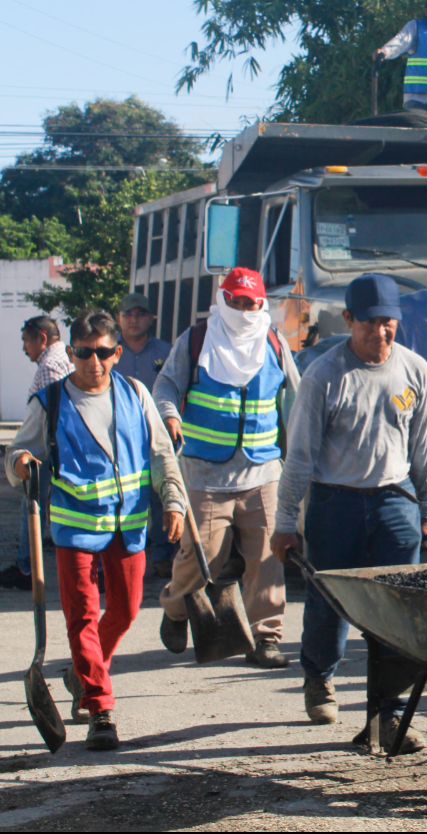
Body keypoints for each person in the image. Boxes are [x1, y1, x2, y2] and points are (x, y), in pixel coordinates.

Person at [270, 274, 427, 754]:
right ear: (348, 320)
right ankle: (319, 677)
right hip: (335, 502)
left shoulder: (415, 371)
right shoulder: (325, 376)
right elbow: (299, 455)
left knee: (395, 609)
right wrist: (286, 523)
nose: (381, 333)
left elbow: (426, 448)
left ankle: (388, 715)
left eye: (389, 323)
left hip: (394, 501)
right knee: (332, 601)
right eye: (370, 324)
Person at [5, 311, 185, 751]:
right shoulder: (49, 403)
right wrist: (20, 464)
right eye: (84, 353)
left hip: (128, 524)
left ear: (116, 352)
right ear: (71, 354)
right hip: (75, 530)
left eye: (104, 352)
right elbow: (17, 452)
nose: (95, 361)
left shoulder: (136, 394)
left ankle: (81, 673)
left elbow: (162, 454)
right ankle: (99, 707)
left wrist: (174, 500)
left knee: (124, 610)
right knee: (82, 617)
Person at [154, 268, 300, 669]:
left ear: (261, 304)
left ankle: (266, 637)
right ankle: (176, 609)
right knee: (204, 556)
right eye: (234, 301)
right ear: (222, 300)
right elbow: (166, 384)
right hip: (205, 472)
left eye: (250, 303)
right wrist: (169, 413)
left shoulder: (273, 343)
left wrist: (301, 451)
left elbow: (297, 398)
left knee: (268, 557)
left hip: (262, 470)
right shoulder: (197, 340)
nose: (242, 310)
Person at [2, 316, 73, 591]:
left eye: (26, 341)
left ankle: (27, 567)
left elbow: (56, 413)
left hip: (46, 449)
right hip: (55, 447)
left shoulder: (50, 366)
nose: (24, 349)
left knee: (33, 503)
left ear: (42, 338)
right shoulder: (63, 358)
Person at [115, 292, 176, 578]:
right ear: (119, 319)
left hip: (156, 435)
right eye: (128, 314)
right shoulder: (107, 353)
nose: (135, 319)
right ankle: (121, 552)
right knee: (123, 495)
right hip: (117, 438)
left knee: (161, 495)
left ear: (151, 318)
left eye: (141, 314)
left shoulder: (168, 352)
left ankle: (163, 555)